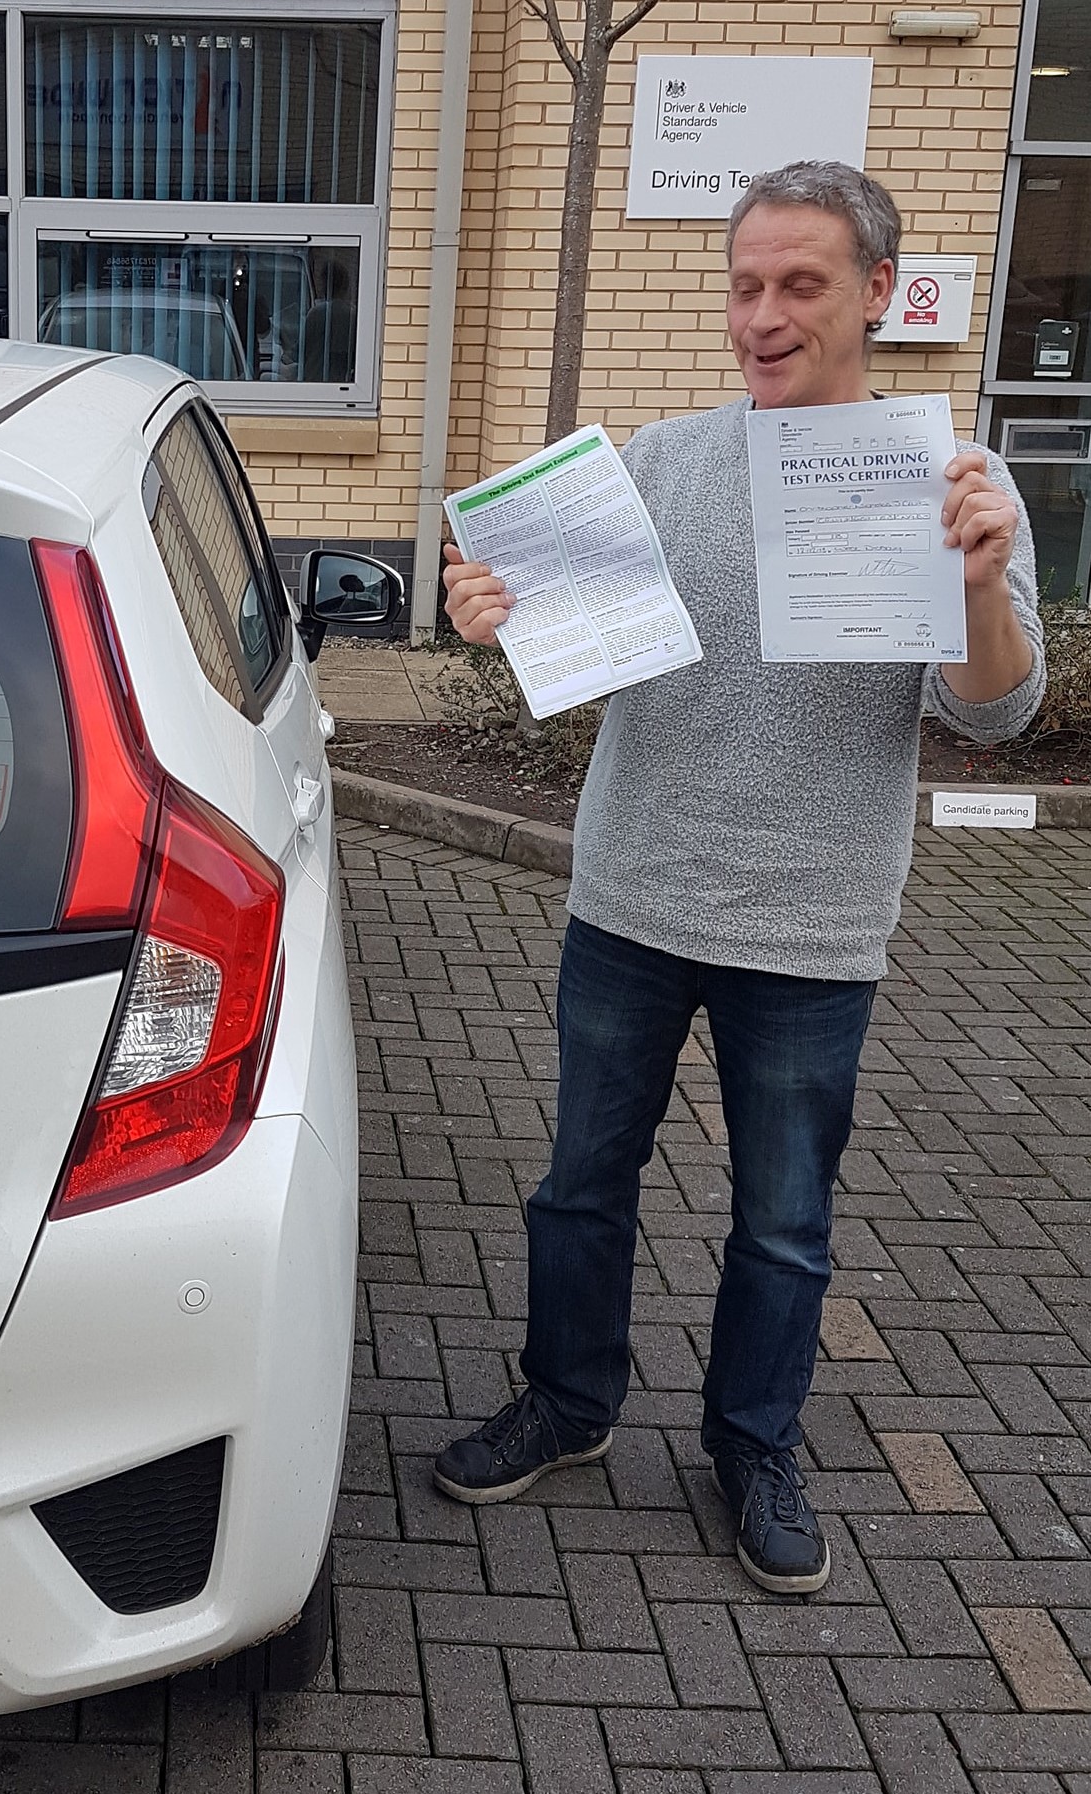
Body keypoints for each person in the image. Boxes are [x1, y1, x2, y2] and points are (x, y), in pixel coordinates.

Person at [433, 161, 1046, 1595]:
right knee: (580, 1184)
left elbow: (993, 711)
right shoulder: (660, 459)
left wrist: (971, 584)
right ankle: (569, 1401)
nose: (759, 316)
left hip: (814, 922)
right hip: (633, 894)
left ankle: (751, 1440)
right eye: (742, 284)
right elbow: (566, 655)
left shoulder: (952, 482)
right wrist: (491, 618)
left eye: (798, 284)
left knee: (782, 1218)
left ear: (876, 296)